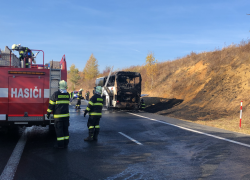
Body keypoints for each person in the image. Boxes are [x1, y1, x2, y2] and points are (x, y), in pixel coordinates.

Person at [47, 80, 70, 148]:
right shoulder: (67, 94)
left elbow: (51, 105)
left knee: (59, 131)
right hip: (66, 117)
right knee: (65, 130)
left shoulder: (55, 94)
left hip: (58, 117)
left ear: (59, 86)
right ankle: (66, 143)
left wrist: (48, 113)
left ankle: (60, 145)